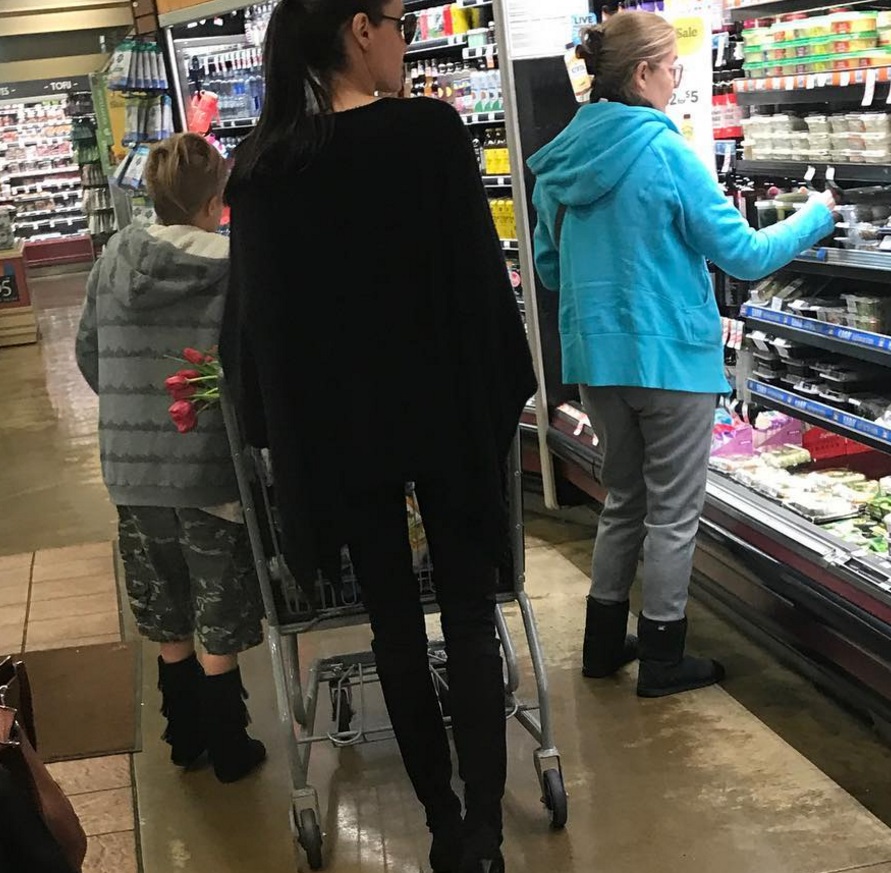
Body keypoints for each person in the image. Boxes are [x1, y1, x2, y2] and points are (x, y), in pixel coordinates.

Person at [220, 1, 536, 871]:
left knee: (393, 624)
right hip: (447, 416)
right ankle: (482, 831)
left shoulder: (265, 164)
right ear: (361, 29)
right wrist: (497, 397)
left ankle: (439, 824)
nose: (405, 39)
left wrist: (284, 434)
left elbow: (256, 334)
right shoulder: (429, 134)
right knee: (468, 614)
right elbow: (480, 285)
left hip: (343, 435)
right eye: (400, 21)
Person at [528, 12, 836, 699]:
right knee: (671, 513)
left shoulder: (557, 161)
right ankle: (663, 657)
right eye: (671, 68)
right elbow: (743, 255)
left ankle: (602, 645)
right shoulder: (663, 152)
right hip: (670, 361)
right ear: (642, 73)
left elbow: (548, 271)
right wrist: (817, 215)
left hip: (596, 361)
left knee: (623, 501)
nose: (676, 80)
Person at [75, 133, 266, 784]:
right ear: (215, 201)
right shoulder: (235, 268)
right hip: (207, 463)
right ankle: (230, 744)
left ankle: (183, 736)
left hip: (131, 463)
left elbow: (88, 351)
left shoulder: (113, 258)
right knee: (217, 593)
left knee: (161, 593)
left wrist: (132, 408)